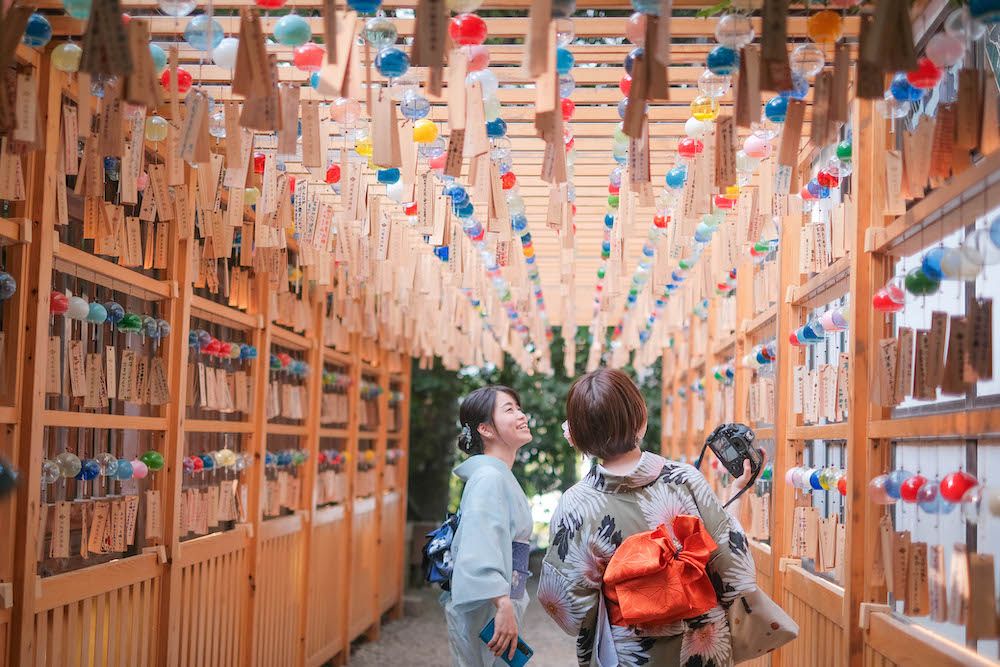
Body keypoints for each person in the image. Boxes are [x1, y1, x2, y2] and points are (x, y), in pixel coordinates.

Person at [539, 368, 757, 667]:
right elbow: (736, 570)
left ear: (577, 435)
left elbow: (570, 608)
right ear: (640, 417)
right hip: (701, 643)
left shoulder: (574, 505)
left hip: (630, 652)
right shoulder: (685, 479)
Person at [442, 385, 534, 666]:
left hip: (499, 602)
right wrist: (502, 603)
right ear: (486, 429)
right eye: (509, 409)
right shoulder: (489, 479)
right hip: (489, 606)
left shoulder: (496, 475)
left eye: (518, 408)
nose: (521, 415)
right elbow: (480, 545)